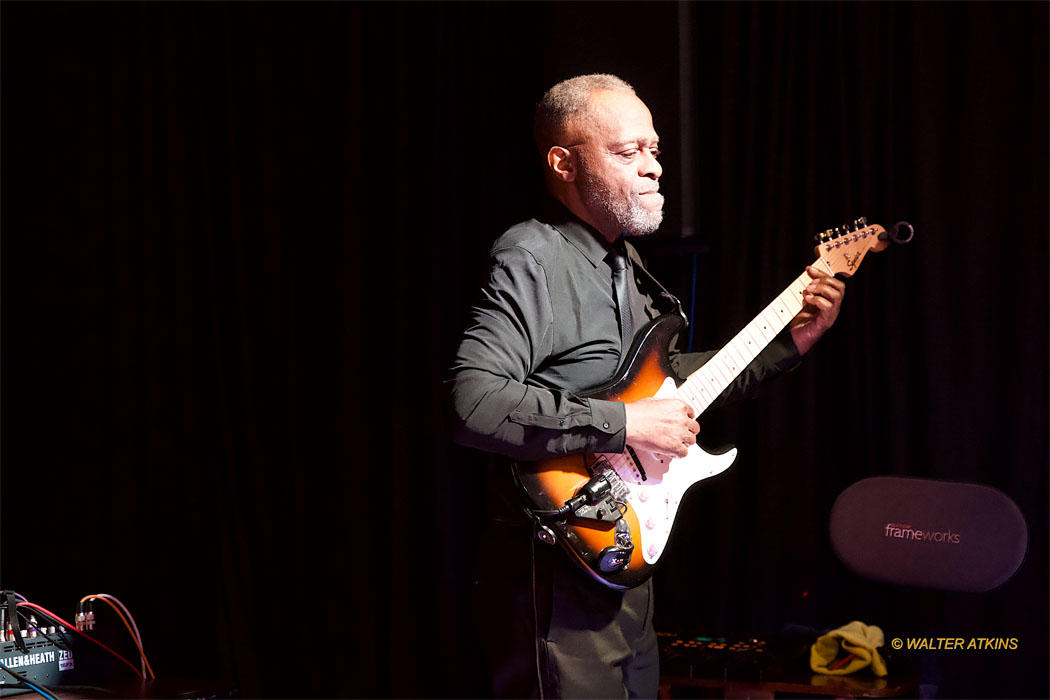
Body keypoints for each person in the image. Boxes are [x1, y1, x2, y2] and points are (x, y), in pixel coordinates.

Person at [447, 74, 845, 699]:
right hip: (556, 565)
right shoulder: (530, 255)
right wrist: (627, 425)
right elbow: (473, 403)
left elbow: (668, 389)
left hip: (622, 556)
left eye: (654, 150)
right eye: (628, 152)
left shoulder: (624, 261)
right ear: (564, 163)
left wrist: (788, 344)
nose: (654, 167)